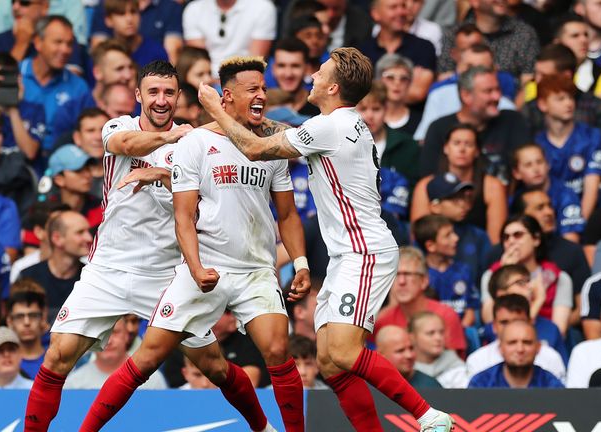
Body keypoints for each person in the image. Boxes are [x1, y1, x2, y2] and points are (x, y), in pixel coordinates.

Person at [198, 47, 454, 430]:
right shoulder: (339, 124)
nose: (311, 77)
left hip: (364, 251)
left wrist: (214, 108)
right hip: (346, 255)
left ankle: (429, 416)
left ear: (333, 87)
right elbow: (281, 134)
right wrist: (244, 116)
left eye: (319, 73)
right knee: (330, 360)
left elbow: (254, 149)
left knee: (347, 352)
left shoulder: (329, 127)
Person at [24, 61, 277, 432]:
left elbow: (205, 200)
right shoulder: (121, 127)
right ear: (139, 95)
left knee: (214, 367)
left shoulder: (197, 147)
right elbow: (126, 145)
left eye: (169, 93)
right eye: (153, 92)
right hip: (107, 269)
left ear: (177, 97)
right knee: (57, 356)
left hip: (166, 276)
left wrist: (165, 169)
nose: (161, 100)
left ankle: (263, 428)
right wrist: (179, 137)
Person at [82, 56, 310, 432]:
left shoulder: (270, 148)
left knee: (277, 350)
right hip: (205, 266)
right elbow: (184, 216)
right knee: (148, 358)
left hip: (255, 270)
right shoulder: (196, 143)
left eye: (264, 90)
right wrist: (196, 266)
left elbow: (287, 215)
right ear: (228, 96)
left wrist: (300, 263)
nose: (261, 96)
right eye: (253, 90)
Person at [420, 66, 531, 184]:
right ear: (466, 95)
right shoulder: (439, 128)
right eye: (488, 91)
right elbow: (428, 181)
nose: (497, 96)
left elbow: (529, 164)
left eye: (498, 90)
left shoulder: (512, 120)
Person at [411, 123, 507, 243]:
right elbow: (418, 236)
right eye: (456, 143)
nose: (462, 149)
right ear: (446, 148)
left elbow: (495, 241)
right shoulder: (425, 185)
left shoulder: (492, 186)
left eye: (468, 144)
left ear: (477, 151)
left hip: (477, 255)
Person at [481, 215, 574, 336]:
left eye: (518, 235)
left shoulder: (559, 278)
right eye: (506, 237)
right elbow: (489, 320)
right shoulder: (490, 275)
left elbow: (559, 331)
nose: (511, 241)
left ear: (536, 239)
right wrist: (504, 274)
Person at [534, 74, 601, 219]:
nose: (568, 103)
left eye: (570, 97)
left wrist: (578, 225)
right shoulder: (536, 143)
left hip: (587, 217)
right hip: (549, 217)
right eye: (560, 99)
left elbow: (592, 187)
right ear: (542, 104)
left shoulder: (591, 136)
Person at [414, 41, 517, 142]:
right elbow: (424, 140)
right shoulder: (439, 95)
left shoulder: (506, 108)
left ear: (494, 71)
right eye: (469, 68)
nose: (474, 74)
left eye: (482, 69)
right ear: (458, 67)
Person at [374, 246, 467, 353]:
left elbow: (456, 365)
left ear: (424, 281)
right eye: (396, 275)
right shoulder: (382, 321)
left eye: (408, 274)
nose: (401, 281)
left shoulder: (446, 315)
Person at [19, 15, 89, 151]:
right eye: (58, 42)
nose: (65, 50)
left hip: (62, 161)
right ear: (38, 42)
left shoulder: (78, 87)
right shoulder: (16, 74)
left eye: (69, 44)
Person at [466, 294, 566, 381]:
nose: (511, 328)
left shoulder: (551, 358)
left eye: (517, 321)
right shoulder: (477, 360)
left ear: (530, 322)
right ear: (494, 326)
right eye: (504, 322)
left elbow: (560, 401)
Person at [437, 0, 540, 84]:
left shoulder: (524, 34)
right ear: (474, 1)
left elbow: (530, 80)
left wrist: (517, 106)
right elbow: (444, 77)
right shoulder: (454, 35)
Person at [18, 210, 91, 321]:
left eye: (88, 231)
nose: (89, 238)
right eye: (80, 232)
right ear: (57, 238)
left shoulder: (92, 278)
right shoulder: (29, 277)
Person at [361, 0, 436, 104]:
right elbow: (358, 93)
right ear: (376, 14)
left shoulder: (424, 47)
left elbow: (418, 92)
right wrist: (406, 86)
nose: (401, 12)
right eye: (393, 7)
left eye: (403, 6)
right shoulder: (362, 52)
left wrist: (375, 91)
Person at [0, 53, 46, 161]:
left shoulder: (35, 110)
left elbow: (30, 153)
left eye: (8, 77)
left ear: (19, 78)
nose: (3, 83)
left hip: (24, 173)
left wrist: (13, 107)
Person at [65, 315, 167, 390]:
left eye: (115, 332)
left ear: (127, 335)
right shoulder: (73, 384)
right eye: (102, 335)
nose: (108, 341)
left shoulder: (153, 381)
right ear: (91, 341)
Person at [509, 142, 585, 242]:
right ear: (516, 173)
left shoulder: (566, 195)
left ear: (548, 164)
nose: (536, 169)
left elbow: (571, 242)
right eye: (528, 165)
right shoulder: (515, 198)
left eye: (539, 162)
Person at [413, 214, 479, 327]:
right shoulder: (419, 275)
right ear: (430, 246)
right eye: (448, 235)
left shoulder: (464, 271)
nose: (456, 238)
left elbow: (470, 313)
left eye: (453, 232)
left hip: (462, 333)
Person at [182, 0, 277, 76]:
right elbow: (198, 59)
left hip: (244, 78)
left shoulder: (263, 7)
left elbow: (255, 62)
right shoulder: (193, 9)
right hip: (206, 78)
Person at [356, 81, 420, 185]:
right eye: (363, 109)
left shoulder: (407, 145)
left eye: (376, 109)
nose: (370, 115)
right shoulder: (341, 144)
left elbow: (413, 187)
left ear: (385, 109)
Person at [468, 320, 564, 388]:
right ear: (500, 348)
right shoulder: (481, 383)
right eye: (512, 342)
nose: (520, 349)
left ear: (538, 347)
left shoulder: (552, 385)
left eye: (527, 342)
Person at [40, 145, 102, 230]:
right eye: (78, 170)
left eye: (88, 168)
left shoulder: (102, 209)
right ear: (59, 180)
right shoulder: (44, 213)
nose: (88, 175)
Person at [410, 312, 469, 388]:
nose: (438, 338)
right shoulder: (405, 369)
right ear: (412, 337)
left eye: (441, 332)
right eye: (431, 333)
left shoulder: (456, 367)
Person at [101, 0, 167, 68]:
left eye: (133, 12)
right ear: (108, 20)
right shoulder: (101, 55)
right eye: (121, 14)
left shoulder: (156, 52)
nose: (129, 19)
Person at [376, 325, 443, 389]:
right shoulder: (369, 385)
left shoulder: (430, 386)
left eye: (411, 348)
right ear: (380, 355)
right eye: (400, 350)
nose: (409, 355)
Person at [375, 54, 422, 138]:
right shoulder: (367, 118)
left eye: (404, 78)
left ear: (409, 83)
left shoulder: (420, 121)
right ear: (379, 80)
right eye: (390, 77)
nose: (397, 83)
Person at [5, 290, 48, 379]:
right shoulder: (0, 364)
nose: (27, 322)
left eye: (33, 315)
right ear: (10, 321)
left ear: (43, 318)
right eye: (19, 317)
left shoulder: (57, 360)